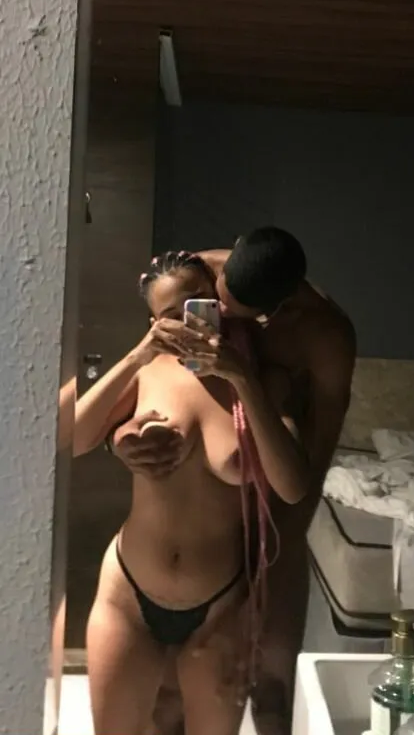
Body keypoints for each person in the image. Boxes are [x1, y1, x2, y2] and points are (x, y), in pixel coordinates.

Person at [108, 229, 357, 735]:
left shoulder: (324, 335)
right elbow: (145, 377)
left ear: (274, 310)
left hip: (275, 490)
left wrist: (282, 541)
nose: (217, 313)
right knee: (169, 695)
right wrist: (121, 440)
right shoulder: (197, 271)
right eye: (216, 300)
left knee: (272, 689)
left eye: (236, 313)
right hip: (204, 516)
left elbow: (319, 445)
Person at [74, 250, 309, 735]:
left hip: (220, 605)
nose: (190, 321)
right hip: (128, 593)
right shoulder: (150, 372)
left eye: (198, 303)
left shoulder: (264, 379)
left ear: (220, 300)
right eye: (171, 315)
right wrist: (139, 354)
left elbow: (291, 486)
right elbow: (72, 439)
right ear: (154, 323)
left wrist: (239, 375)